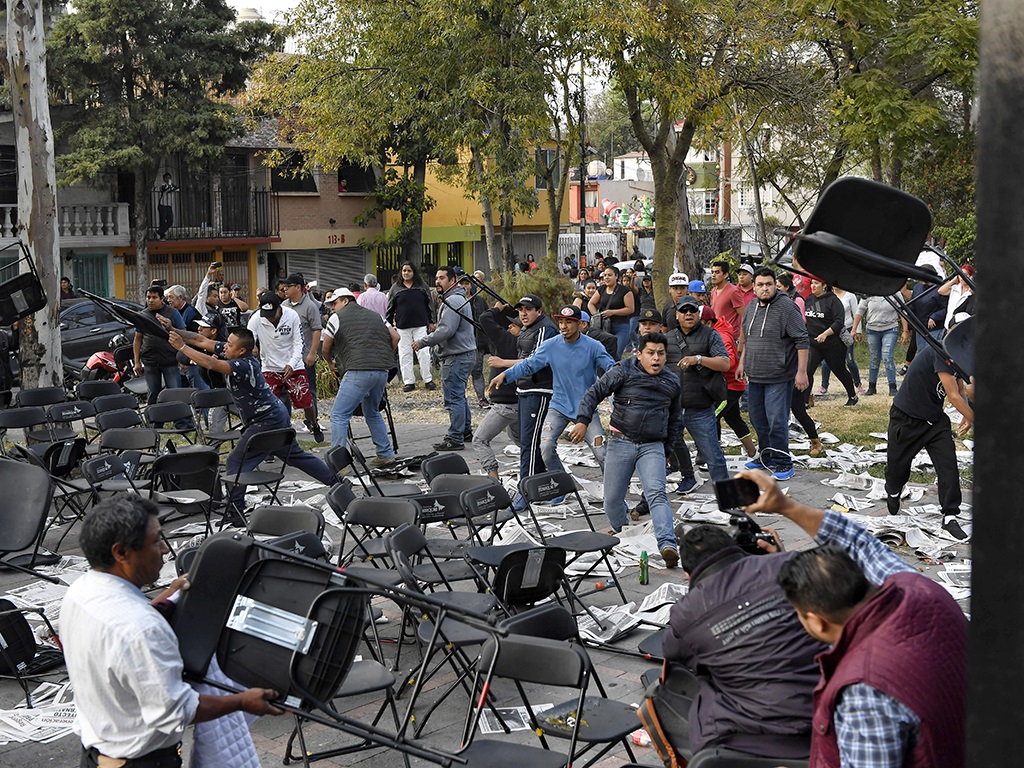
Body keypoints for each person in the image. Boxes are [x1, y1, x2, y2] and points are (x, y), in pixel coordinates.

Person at [741, 470, 967, 768]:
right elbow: (862, 544)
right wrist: (786, 506)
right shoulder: (921, 589)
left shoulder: (865, 694)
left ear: (816, 622)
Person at [61, 495, 282, 767]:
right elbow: (176, 710)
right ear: (121, 553)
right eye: (155, 541)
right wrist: (242, 701)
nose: (165, 549)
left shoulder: (81, 590)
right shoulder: (140, 627)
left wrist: (166, 596)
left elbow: (121, 640)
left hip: (99, 751)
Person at [658, 524, 826, 760]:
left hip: (747, 740)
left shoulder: (688, 611)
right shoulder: (788, 564)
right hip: (824, 714)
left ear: (688, 575)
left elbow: (670, 650)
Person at [168, 324, 337, 518]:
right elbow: (201, 340)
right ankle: (336, 481)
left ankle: (236, 510)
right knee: (295, 456)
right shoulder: (235, 352)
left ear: (241, 350)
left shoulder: (244, 364)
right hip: (274, 415)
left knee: (235, 462)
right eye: (227, 343)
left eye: (230, 345)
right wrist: (173, 329)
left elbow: (212, 364)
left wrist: (182, 348)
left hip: (265, 420)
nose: (225, 347)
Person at [572, 332, 682, 567]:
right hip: (620, 442)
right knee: (611, 500)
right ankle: (623, 533)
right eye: (651, 353)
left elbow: (675, 421)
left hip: (652, 446)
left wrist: (667, 450)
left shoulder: (672, 382)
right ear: (639, 354)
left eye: (660, 354)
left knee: (657, 494)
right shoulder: (623, 370)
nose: (656, 359)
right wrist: (582, 420)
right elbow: (594, 393)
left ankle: (667, 544)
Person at [489, 304, 615, 474]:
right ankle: (561, 485)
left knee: (602, 453)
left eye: (569, 322)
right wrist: (506, 375)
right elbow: (529, 364)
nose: (563, 326)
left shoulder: (594, 346)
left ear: (580, 324)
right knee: (546, 448)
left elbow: (613, 370)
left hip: (586, 409)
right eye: (561, 321)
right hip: (559, 406)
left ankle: (613, 495)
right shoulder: (550, 345)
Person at [885, 340, 972, 540]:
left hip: (934, 421)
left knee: (948, 464)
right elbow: (953, 397)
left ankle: (950, 515)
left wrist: (968, 414)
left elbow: (960, 389)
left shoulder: (961, 357)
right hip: (906, 418)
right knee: (897, 468)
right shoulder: (940, 352)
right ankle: (893, 490)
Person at [737, 267, 809, 481]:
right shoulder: (751, 307)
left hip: (779, 375)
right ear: (755, 286)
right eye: (760, 285)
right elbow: (747, 338)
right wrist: (742, 362)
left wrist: (802, 372)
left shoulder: (787, 307)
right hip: (754, 374)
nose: (764, 288)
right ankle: (767, 456)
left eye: (769, 284)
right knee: (758, 418)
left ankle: (783, 461)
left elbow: (802, 339)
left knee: (777, 420)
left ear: (775, 284)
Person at [486, 293, 558, 485]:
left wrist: (504, 368)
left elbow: (535, 361)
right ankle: (544, 483)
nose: (523, 314)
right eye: (521, 310)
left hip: (539, 390)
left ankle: (529, 487)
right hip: (525, 389)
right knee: (528, 442)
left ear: (539, 311)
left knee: (532, 443)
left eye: (528, 310)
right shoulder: (527, 328)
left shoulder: (545, 329)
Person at [321, 288, 398, 465]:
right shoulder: (376, 315)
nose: (333, 308)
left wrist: (330, 364)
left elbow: (326, 348)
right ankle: (385, 454)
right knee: (372, 412)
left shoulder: (336, 318)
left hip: (358, 370)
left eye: (334, 303)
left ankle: (339, 462)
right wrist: (385, 354)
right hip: (381, 370)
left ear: (345, 301)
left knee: (339, 415)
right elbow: (396, 336)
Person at [666, 297, 731, 489]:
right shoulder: (667, 338)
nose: (688, 314)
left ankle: (727, 493)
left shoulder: (710, 335)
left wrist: (699, 359)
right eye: (684, 311)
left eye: (692, 311)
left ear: (698, 314)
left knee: (712, 454)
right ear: (677, 315)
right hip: (673, 408)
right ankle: (688, 478)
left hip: (700, 408)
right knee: (670, 446)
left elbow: (725, 363)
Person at [413, 266, 476, 451]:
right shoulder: (455, 298)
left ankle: (455, 438)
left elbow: (446, 330)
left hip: (457, 356)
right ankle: (465, 431)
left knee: (454, 397)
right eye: (437, 278)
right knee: (459, 395)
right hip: (462, 354)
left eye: (442, 278)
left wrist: (422, 342)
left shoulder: (453, 301)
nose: (438, 281)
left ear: (453, 280)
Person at [246, 293, 321, 441]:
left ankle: (313, 423)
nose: (270, 318)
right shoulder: (256, 319)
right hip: (270, 367)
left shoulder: (292, 315)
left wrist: (292, 364)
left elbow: (299, 343)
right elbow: (248, 337)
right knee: (270, 404)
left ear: (279, 307)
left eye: (272, 314)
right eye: (266, 315)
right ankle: (273, 437)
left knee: (305, 401)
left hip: (294, 364)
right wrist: (252, 346)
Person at [474, 305, 522, 480]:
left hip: (504, 404)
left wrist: (497, 308)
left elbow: (485, 319)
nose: (509, 327)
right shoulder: (526, 343)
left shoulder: (507, 340)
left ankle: (494, 479)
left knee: (479, 439)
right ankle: (537, 471)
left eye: (513, 325)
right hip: (518, 402)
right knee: (521, 441)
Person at [708, 305, 756, 459]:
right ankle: (752, 451)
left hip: (730, 386)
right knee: (733, 419)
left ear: (708, 323)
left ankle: (713, 454)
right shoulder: (718, 332)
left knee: (711, 416)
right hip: (730, 384)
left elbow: (727, 361)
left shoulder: (720, 336)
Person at [283, 273, 325, 442]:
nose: (285, 289)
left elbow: (316, 329)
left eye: (289, 286)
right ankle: (285, 424)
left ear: (298, 287)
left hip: (304, 356)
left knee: (309, 390)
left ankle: (312, 422)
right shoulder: (284, 305)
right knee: (285, 392)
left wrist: (312, 352)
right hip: (287, 358)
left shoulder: (309, 306)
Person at [387, 261, 435, 392]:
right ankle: (409, 381)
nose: (406, 273)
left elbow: (429, 304)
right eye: (404, 271)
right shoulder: (395, 288)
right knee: (405, 354)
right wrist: (389, 324)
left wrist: (432, 321)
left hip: (420, 325)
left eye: (409, 270)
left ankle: (428, 379)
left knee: (424, 352)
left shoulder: (422, 286)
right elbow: (390, 307)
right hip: (402, 326)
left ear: (414, 272)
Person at [134, 284, 186, 404]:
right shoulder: (142, 315)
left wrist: (182, 356)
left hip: (170, 361)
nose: (150, 300)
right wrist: (137, 362)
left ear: (162, 299)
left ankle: (181, 422)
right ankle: (155, 422)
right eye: (148, 297)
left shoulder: (173, 313)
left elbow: (183, 334)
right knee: (153, 394)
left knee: (175, 393)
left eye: (154, 297)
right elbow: (137, 339)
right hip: (150, 363)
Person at [853, 293, 908, 396]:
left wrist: (905, 331)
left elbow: (902, 311)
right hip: (872, 329)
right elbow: (860, 310)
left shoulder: (895, 293)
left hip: (890, 328)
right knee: (874, 358)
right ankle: (872, 386)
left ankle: (892, 386)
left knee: (887, 356)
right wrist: (854, 329)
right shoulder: (868, 292)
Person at [818, 285, 863, 397]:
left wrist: (857, 330)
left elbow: (856, 313)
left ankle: (858, 384)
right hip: (831, 331)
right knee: (826, 361)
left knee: (849, 360)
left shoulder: (850, 295)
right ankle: (824, 386)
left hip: (846, 329)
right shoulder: (827, 296)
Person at [588, 265, 635, 357]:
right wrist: (596, 315)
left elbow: (630, 309)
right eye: (605, 275)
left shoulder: (625, 290)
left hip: (621, 325)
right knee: (603, 353)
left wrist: (612, 312)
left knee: (616, 354)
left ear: (616, 276)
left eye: (609, 275)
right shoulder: (601, 289)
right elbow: (591, 304)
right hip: (604, 326)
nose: (606, 277)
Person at [459, 273, 491, 408]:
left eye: (466, 284)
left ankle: (481, 398)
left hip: (478, 342)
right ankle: (459, 400)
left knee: (477, 371)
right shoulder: (455, 301)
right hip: (461, 343)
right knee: (461, 373)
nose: (464, 286)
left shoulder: (480, 301)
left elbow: (488, 318)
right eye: (461, 284)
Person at [709, 260, 745, 341]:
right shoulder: (713, 291)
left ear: (725, 275)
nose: (713, 275)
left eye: (717, 272)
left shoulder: (733, 291)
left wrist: (742, 341)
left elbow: (744, 315)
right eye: (712, 272)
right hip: (716, 336)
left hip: (730, 338)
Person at [156, 172, 178, 239]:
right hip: (163, 204)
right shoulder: (162, 184)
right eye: (167, 178)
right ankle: (162, 236)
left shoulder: (171, 185)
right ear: (164, 178)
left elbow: (177, 189)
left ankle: (160, 231)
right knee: (162, 221)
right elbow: (163, 190)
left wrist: (172, 186)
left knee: (170, 221)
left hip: (169, 205)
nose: (168, 179)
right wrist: (169, 186)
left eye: (169, 178)